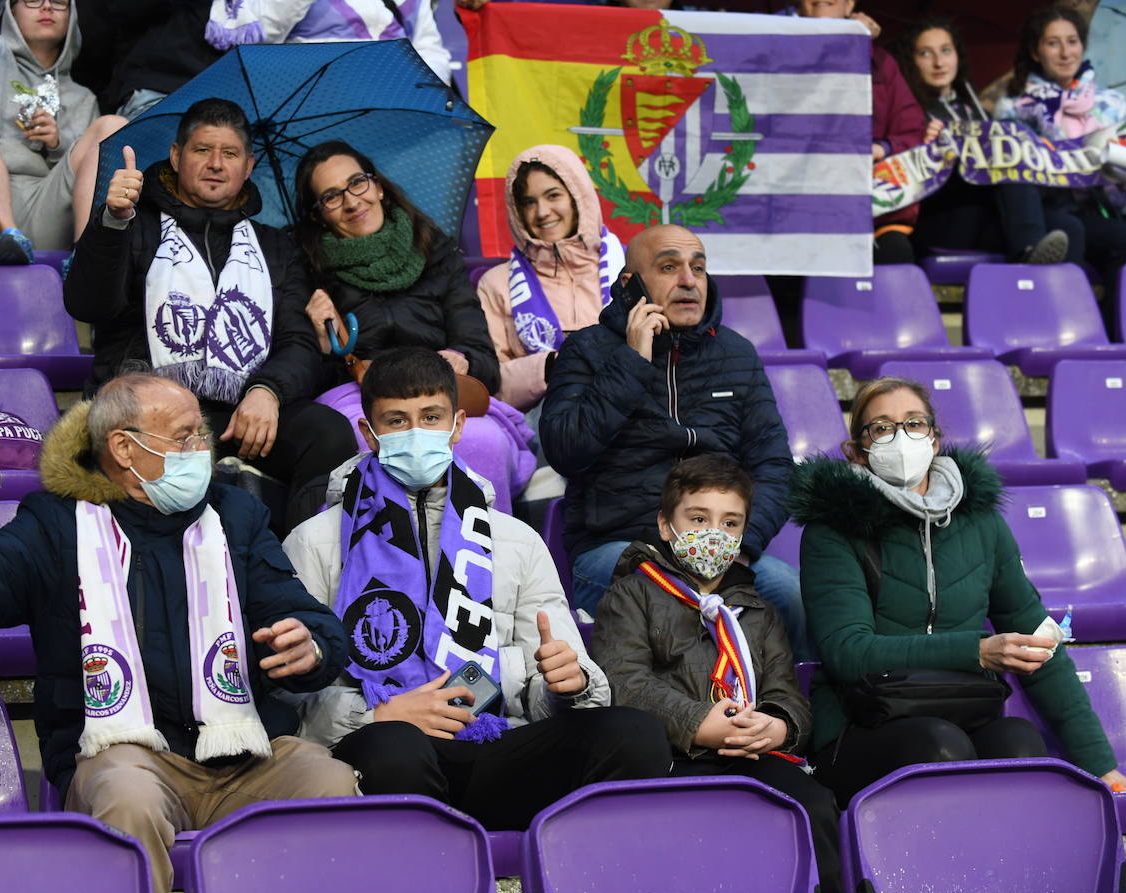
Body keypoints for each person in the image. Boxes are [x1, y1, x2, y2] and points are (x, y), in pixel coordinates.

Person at [0, 373, 359, 893]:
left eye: (201, 435)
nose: (202, 450)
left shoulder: (234, 516)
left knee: (326, 779)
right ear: (124, 447)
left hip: (243, 754)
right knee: (128, 797)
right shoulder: (57, 523)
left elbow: (302, 614)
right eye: (185, 436)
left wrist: (313, 647)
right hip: (123, 759)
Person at [282, 348, 669, 829]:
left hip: (496, 737)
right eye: (397, 421)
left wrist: (566, 684)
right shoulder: (314, 540)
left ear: (458, 425)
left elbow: (555, 681)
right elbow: (290, 695)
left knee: (633, 735)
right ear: (369, 433)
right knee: (393, 750)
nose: (416, 433)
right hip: (387, 747)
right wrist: (378, 714)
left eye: (431, 417)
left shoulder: (515, 540)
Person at [789, 376, 1126, 804]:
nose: (901, 436)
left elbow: (1039, 643)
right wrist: (977, 650)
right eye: (881, 428)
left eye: (914, 423)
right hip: (860, 723)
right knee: (938, 746)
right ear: (856, 452)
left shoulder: (982, 524)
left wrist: (1101, 766)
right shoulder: (833, 529)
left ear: (935, 439)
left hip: (964, 709)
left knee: (1020, 745)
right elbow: (848, 652)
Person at [64, 98, 357, 534]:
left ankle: (297, 568)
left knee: (327, 432)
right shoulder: (134, 223)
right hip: (150, 407)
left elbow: (298, 342)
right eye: (202, 150)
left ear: (249, 164)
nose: (216, 164)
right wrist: (112, 222)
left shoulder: (275, 246)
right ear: (177, 156)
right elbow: (87, 304)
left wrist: (268, 392)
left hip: (241, 411)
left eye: (230, 153)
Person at [592, 454, 843, 893]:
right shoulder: (631, 593)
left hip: (749, 755)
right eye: (698, 518)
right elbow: (622, 682)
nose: (715, 533)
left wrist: (777, 726)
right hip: (673, 758)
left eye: (731, 523)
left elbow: (786, 693)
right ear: (666, 526)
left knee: (813, 802)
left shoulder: (758, 609)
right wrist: (697, 721)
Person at [540, 225, 804, 657]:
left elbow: (774, 466)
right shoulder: (587, 350)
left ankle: (789, 719)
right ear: (630, 285)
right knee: (675, 596)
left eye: (698, 268)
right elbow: (567, 451)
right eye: (668, 267)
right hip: (622, 545)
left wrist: (741, 549)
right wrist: (631, 361)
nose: (688, 281)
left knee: (788, 595)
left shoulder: (737, 354)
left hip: (722, 547)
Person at [292, 140, 534, 514]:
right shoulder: (306, 271)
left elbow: (484, 360)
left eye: (357, 183)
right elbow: (304, 377)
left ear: (379, 186)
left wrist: (461, 359)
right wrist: (326, 343)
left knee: (483, 441)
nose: (353, 201)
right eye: (331, 197)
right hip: (359, 396)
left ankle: (485, 563)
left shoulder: (437, 251)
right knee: (355, 442)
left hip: (438, 390)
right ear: (317, 215)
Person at [0, 0, 127, 252]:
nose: (46, 7)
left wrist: (59, 145)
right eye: (33, 0)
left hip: (46, 207)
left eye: (59, 2)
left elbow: (84, 176)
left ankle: (85, 258)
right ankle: (7, 237)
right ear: (10, 10)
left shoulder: (84, 98)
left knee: (112, 126)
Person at [996, 5, 1126, 305]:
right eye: (1053, 43)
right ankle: (1111, 338)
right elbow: (1014, 172)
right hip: (1063, 208)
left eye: (1072, 41)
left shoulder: (1113, 101)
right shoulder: (1014, 106)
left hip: (1122, 205)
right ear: (1036, 51)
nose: (1066, 52)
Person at [895, 18, 1076, 266]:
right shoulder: (908, 111)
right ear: (911, 61)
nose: (939, 62)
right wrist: (926, 147)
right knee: (1007, 165)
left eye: (946, 51)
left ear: (957, 55)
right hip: (941, 216)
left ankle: (1048, 299)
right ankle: (1027, 253)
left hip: (981, 213)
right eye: (926, 53)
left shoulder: (972, 108)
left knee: (1069, 227)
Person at [104, 1, 451, 121]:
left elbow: (432, 51)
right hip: (318, 107)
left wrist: (405, 89)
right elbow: (265, 33)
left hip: (394, 107)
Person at [477, 144, 625, 413]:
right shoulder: (496, 284)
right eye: (529, 202)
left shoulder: (628, 269)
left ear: (577, 198)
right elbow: (489, 380)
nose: (542, 212)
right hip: (539, 418)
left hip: (626, 407)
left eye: (553, 195)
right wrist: (553, 365)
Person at [800, 0, 928, 265]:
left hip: (872, 209)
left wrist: (882, 148)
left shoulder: (881, 62)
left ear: (849, 6)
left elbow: (914, 132)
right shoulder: (775, 53)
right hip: (799, 205)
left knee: (897, 253)